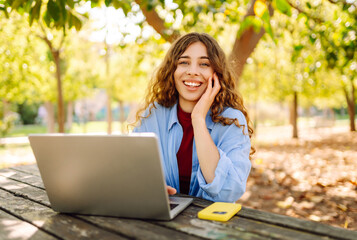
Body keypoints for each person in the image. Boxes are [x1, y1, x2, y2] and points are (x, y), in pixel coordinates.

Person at [133, 32, 254, 202]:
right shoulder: (154, 115)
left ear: (216, 73)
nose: (192, 71)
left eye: (204, 64)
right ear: (172, 70)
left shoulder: (232, 120)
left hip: (210, 221)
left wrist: (198, 118)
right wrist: (148, 187)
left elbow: (227, 192)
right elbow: (132, 171)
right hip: (162, 215)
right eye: (184, 62)